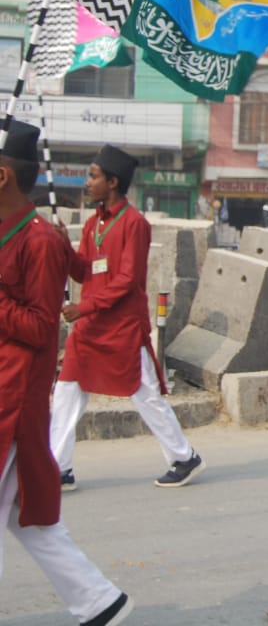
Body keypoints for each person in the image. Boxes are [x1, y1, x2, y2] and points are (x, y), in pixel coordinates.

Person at [0, 121, 134, 626]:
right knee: (26, 519)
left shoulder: (39, 243)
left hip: (13, 398)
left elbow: (38, 327)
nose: (91, 183)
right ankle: (100, 602)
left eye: (98, 176)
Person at [50, 145, 204, 490]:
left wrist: (82, 308)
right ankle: (59, 469)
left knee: (145, 394)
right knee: (66, 391)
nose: (88, 183)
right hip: (90, 329)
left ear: (113, 181)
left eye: (93, 176)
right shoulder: (92, 224)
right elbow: (83, 273)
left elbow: (126, 281)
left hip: (121, 328)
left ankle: (184, 457)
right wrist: (63, 246)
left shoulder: (134, 224)